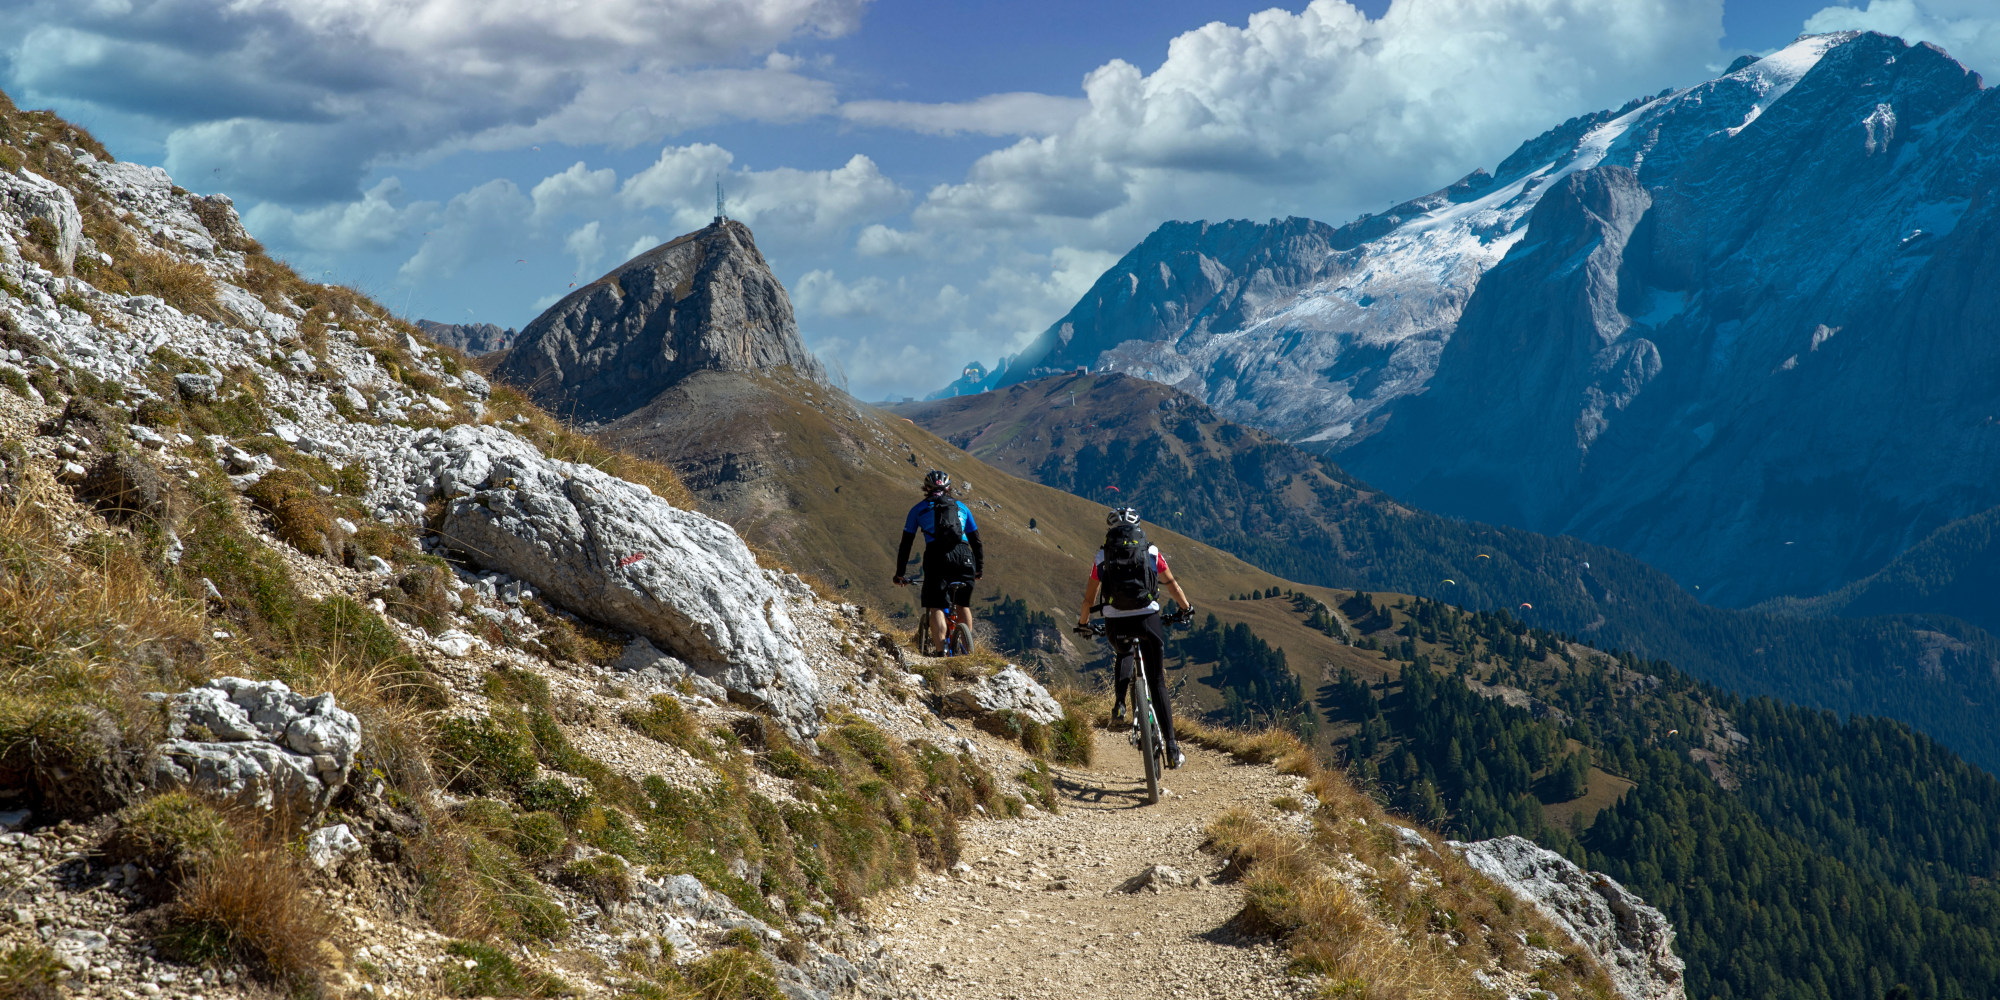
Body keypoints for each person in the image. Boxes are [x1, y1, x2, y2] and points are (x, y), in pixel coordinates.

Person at [1076, 507, 1193, 769]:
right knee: (1157, 680)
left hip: (1116, 623)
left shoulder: (1101, 556)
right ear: (1137, 528)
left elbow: (1089, 598)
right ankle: (1172, 749)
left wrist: (1083, 624)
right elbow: (1171, 583)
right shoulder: (1151, 552)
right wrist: (1185, 609)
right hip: (1147, 619)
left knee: (1124, 652)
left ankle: (1119, 703)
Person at [893, 470, 983, 655]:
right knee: (963, 604)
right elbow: (976, 540)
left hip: (937, 556)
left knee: (936, 605)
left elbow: (906, 544)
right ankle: (968, 652)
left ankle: (941, 653)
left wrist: (900, 573)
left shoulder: (918, 509)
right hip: (965, 555)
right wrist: (979, 568)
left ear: (926, 488)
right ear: (948, 488)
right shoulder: (961, 508)